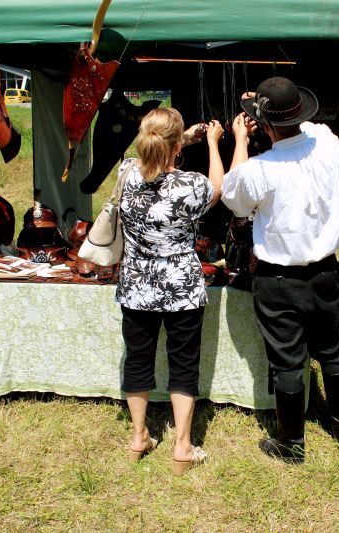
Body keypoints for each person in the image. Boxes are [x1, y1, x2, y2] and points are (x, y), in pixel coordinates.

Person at [221, 77, 339, 464]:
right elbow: (310, 127)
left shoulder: (259, 169)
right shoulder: (328, 144)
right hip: (325, 271)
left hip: (278, 278)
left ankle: (292, 444)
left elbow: (233, 197)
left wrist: (241, 139)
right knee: (333, 350)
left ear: (265, 126)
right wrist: (271, 109)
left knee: (288, 362)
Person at [117, 107, 224, 476]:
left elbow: (148, 157)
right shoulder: (191, 185)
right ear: (176, 146)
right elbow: (218, 187)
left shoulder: (126, 172)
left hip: (136, 286)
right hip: (182, 288)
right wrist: (212, 143)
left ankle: (139, 437)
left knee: (137, 360)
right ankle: (182, 447)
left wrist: (182, 140)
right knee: (183, 365)